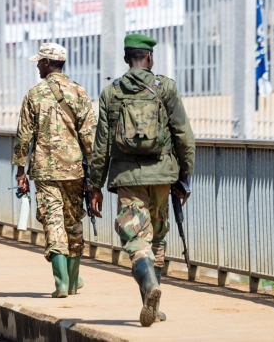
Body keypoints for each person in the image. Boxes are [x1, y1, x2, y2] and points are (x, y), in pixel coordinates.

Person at [86, 33, 195, 327]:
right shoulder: (166, 88)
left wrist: (94, 185)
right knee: (157, 237)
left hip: (127, 177)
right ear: (149, 58)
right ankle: (154, 301)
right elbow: (184, 136)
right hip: (162, 176)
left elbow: (102, 144)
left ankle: (149, 289)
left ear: (126, 60)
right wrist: (184, 177)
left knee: (136, 238)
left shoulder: (112, 92)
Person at [11, 42, 97, 298]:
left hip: (46, 172)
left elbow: (23, 137)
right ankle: (72, 282)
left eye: (39, 61)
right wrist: (92, 174)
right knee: (73, 223)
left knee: (53, 221)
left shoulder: (34, 94)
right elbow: (89, 136)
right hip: (75, 171)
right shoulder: (80, 92)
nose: (37, 65)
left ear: (48, 63)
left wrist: (20, 172)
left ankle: (61, 283)